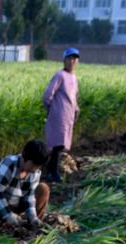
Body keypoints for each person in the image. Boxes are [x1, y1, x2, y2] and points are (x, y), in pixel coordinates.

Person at [0, 140, 50, 235]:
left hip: (18, 205)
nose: (35, 170)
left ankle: (34, 225)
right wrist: (7, 214)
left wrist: (33, 216)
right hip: (0, 205)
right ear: (27, 158)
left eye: (38, 166)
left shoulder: (35, 173)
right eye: (34, 165)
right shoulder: (9, 164)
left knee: (43, 188)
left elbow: (30, 197)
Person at [42, 48, 80, 183]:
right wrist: (52, 109)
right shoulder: (60, 75)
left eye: (75, 58)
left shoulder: (74, 78)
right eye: (70, 58)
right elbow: (47, 95)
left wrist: (76, 109)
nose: (72, 61)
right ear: (64, 60)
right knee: (57, 144)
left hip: (68, 115)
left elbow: (74, 97)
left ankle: (48, 169)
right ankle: (53, 173)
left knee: (60, 145)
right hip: (59, 115)